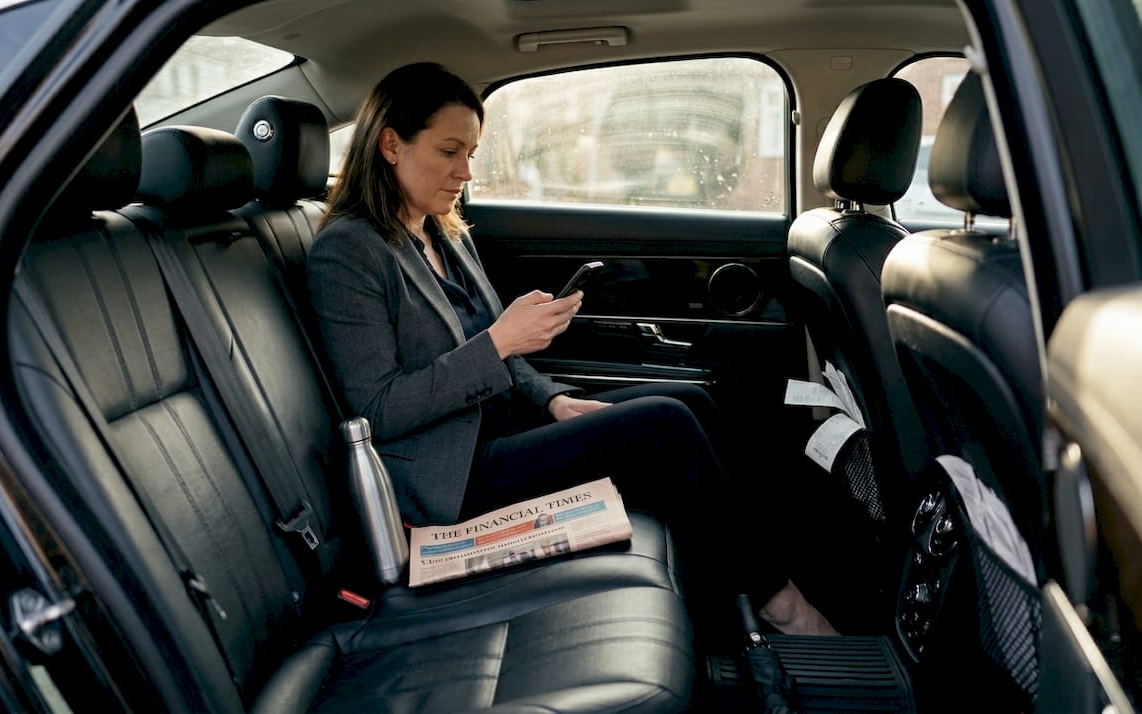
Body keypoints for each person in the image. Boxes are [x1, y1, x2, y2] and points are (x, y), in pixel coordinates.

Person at [306, 61, 835, 637]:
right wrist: (499, 341)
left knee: (694, 400)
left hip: (506, 429)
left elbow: (503, 357)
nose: (465, 171)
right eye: (449, 151)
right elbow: (377, 410)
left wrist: (552, 399)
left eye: (472, 153)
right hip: (452, 477)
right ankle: (779, 605)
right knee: (664, 425)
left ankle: (727, 603)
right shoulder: (349, 251)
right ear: (391, 145)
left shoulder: (441, 231)